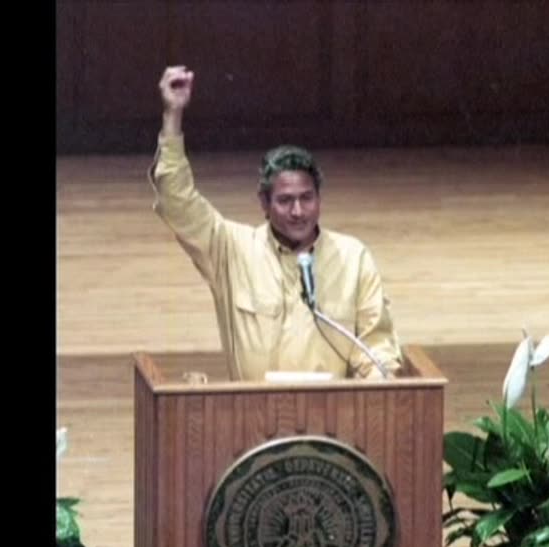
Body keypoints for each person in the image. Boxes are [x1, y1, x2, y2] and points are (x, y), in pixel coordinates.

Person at [149, 65, 402, 382]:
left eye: (307, 198)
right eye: (285, 200)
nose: (298, 211)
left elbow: (377, 349)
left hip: (332, 421)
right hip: (253, 418)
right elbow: (177, 200)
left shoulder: (353, 258)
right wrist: (172, 116)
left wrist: (381, 391)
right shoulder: (232, 249)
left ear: (319, 198)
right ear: (264, 204)